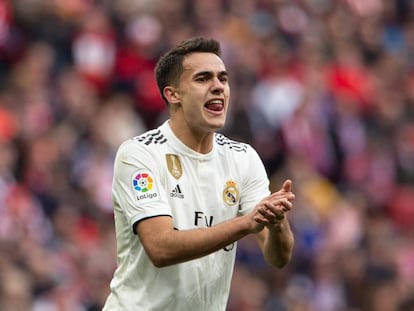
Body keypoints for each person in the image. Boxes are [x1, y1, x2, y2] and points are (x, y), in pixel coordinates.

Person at [102, 37, 295, 311]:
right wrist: (245, 223)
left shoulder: (243, 158)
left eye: (223, 79)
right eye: (203, 79)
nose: (218, 87)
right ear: (173, 94)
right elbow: (160, 247)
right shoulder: (139, 154)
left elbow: (278, 258)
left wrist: (277, 224)